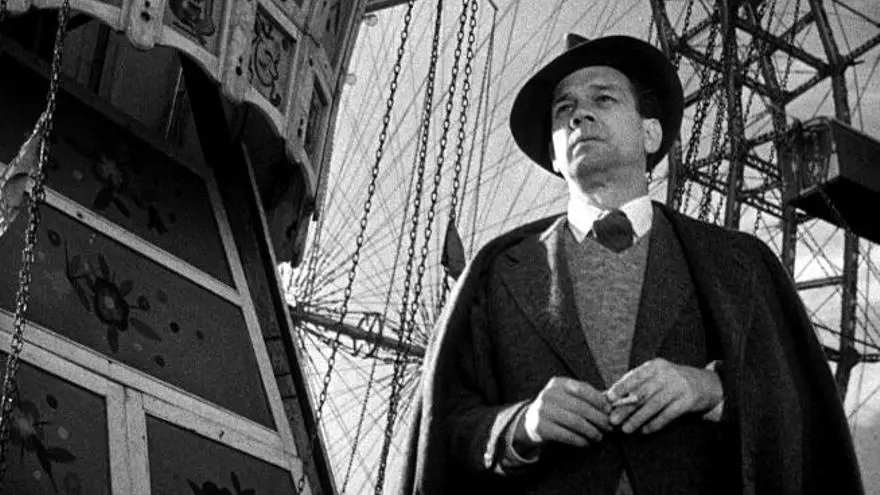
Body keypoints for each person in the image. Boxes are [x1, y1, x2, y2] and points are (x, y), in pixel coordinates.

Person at [398, 34, 864, 495]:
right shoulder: (496, 273)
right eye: (564, 109)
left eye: (603, 98)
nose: (579, 114)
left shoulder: (740, 262)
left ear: (650, 133)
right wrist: (522, 424)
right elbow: (442, 433)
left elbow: (802, 409)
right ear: (554, 156)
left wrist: (710, 389)